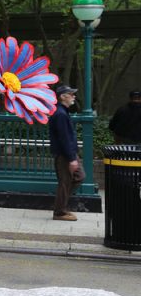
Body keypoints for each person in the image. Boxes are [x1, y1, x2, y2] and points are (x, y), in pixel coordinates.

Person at [48, 84, 84, 221]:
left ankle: (61, 208)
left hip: (67, 154)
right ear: (63, 96)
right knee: (66, 182)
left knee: (75, 178)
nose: (74, 96)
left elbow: (66, 137)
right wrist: (71, 159)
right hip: (65, 155)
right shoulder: (60, 114)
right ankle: (59, 212)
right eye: (71, 94)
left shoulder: (62, 112)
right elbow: (64, 138)